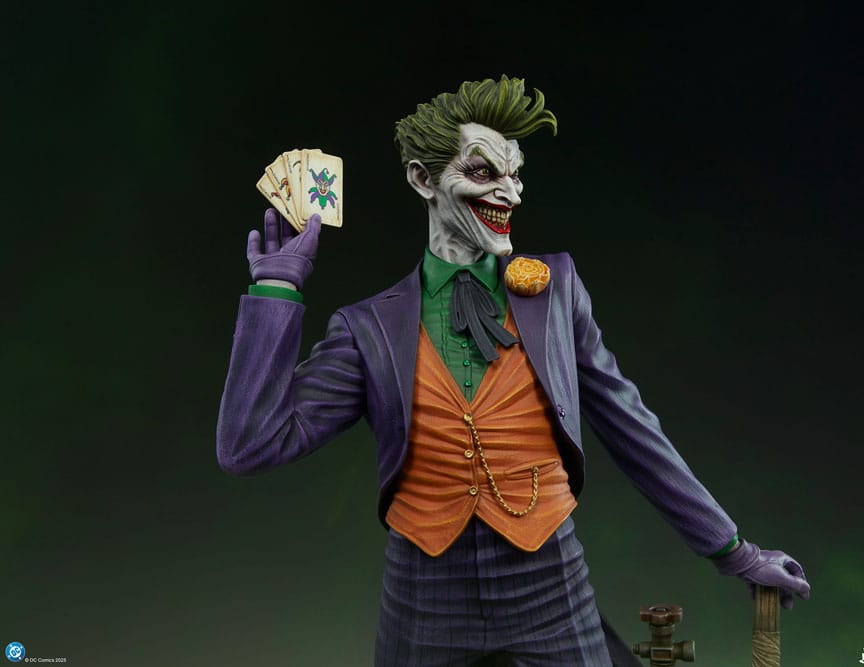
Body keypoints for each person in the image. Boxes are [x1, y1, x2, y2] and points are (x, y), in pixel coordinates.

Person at [217, 76, 810, 666]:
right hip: (424, 600)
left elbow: (632, 428)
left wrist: (734, 551)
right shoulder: (367, 327)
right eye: (482, 172)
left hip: (549, 588)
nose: (510, 194)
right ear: (423, 179)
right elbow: (250, 445)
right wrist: (276, 288)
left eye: (515, 175)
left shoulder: (556, 292)